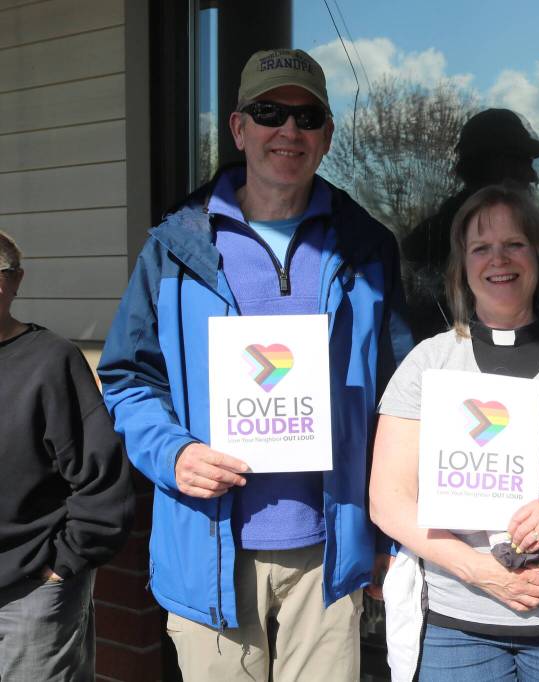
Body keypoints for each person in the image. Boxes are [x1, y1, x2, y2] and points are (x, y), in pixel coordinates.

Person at [98, 49, 408, 681]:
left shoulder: (367, 249)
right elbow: (129, 378)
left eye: (306, 116)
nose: (287, 131)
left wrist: (390, 538)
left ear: (325, 135)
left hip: (329, 549)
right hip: (210, 547)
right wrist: (175, 453)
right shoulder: (175, 247)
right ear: (239, 129)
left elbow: (398, 401)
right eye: (269, 112)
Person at [370, 185, 539, 681]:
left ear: (538, 257)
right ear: (461, 267)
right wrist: (482, 573)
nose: (499, 259)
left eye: (514, 244)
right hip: (458, 622)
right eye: (481, 247)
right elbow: (388, 500)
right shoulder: (428, 363)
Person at [0, 231, 134, 680]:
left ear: (16, 280)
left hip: (29, 592)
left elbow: (103, 478)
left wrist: (64, 564)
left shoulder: (51, 361)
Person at [402, 108, 539, 342]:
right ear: (496, 166)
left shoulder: (432, 233)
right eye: (524, 162)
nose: (533, 176)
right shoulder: (436, 238)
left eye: (514, 245)